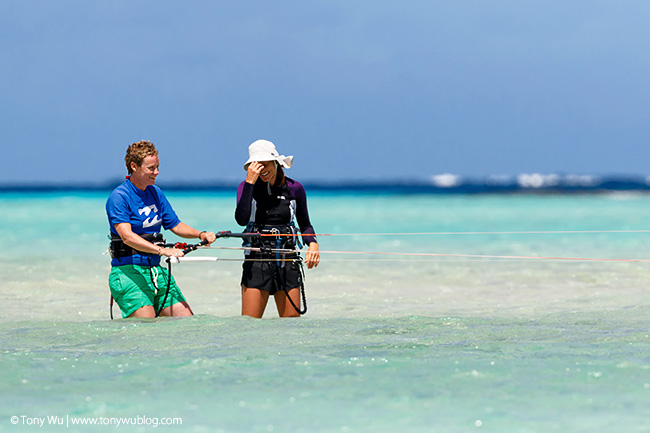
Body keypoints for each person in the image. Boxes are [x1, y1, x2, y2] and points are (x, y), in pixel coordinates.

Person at [106, 140, 217, 318]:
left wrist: (201, 234)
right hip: (129, 273)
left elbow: (175, 225)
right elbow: (127, 237)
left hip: (156, 272)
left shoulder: (155, 192)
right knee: (146, 329)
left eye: (157, 167)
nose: (156, 172)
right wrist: (163, 250)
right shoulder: (119, 197)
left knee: (187, 322)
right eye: (151, 168)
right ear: (134, 166)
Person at [235, 139, 320, 318]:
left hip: (287, 261)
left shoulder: (295, 189)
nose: (262, 170)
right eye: (257, 165)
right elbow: (241, 220)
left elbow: (305, 224)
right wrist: (250, 182)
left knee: (291, 327)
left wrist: (313, 245)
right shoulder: (246, 187)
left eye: (265, 164)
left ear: (276, 162)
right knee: (250, 326)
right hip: (256, 262)